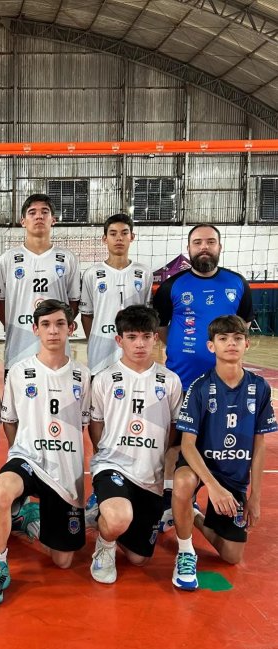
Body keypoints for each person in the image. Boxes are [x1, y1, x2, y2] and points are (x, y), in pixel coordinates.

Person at [0, 299, 90, 605]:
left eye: (60, 324)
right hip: (27, 458)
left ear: (71, 328)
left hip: (64, 469)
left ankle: (29, 519)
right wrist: (20, 451)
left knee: (63, 560)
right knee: (2, 491)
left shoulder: (82, 375)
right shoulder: (19, 372)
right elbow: (10, 421)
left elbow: (81, 424)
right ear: (35, 329)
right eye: (46, 325)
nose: (53, 331)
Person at [153, 224, 254, 531]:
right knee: (173, 442)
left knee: (215, 444)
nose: (204, 247)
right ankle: (168, 501)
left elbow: (242, 327)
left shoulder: (237, 283)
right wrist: (185, 351)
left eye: (210, 241)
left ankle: (199, 500)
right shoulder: (172, 286)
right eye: (198, 242)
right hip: (181, 382)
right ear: (189, 248)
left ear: (220, 247)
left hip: (226, 386)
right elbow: (161, 328)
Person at [171, 315, 276, 590]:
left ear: (247, 344)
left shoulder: (259, 387)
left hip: (233, 474)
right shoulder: (200, 387)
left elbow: (259, 445)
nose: (231, 343)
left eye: (237, 338)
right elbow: (187, 445)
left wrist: (255, 497)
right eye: (223, 338)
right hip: (201, 467)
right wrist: (213, 487)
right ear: (211, 346)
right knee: (182, 481)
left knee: (231, 556)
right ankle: (185, 551)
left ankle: (192, 515)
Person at [88, 305, 182, 584]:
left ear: (156, 338)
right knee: (119, 518)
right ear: (119, 340)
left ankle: (104, 515)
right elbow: (96, 424)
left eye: (145, 336)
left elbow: (174, 427)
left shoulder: (170, 380)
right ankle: (104, 545)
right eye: (132, 337)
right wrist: (104, 456)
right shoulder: (105, 378)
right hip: (113, 465)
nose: (139, 344)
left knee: (139, 559)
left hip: (149, 474)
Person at [0, 194, 80, 376]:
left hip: (57, 351)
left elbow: (73, 303)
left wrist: (57, 325)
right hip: (19, 349)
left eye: (45, 212)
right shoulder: (7, 259)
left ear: (53, 220)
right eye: (32, 212)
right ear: (23, 221)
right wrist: (15, 325)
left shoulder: (68, 258)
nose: (39, 216)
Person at [80, 213, 153, 377]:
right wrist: (96, 339)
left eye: (124, 233)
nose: (119, 238)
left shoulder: (144, 273)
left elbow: (148, 315)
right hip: (101, 353)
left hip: (134, 350)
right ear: (104, 239)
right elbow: (87, 314)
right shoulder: (92, 274)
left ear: (132, 237)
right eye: (113, 234)